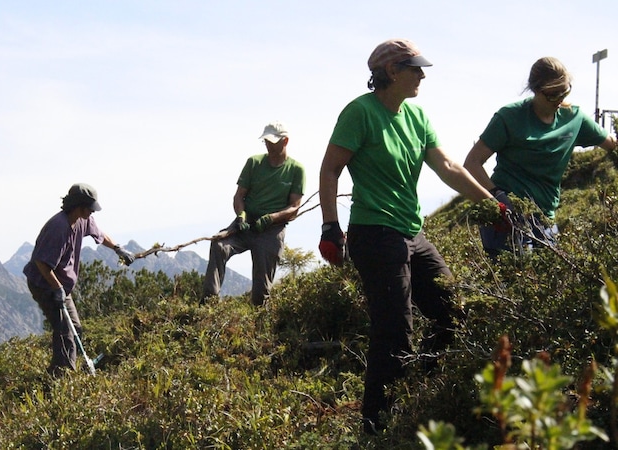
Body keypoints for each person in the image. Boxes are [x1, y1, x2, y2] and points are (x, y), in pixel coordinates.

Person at [317, 39, 494, 434]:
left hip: (411, 233)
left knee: (452, 313)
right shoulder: (360, 112)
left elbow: (447, 166)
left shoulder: (416, 115)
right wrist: (331, 226)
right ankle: (376, 427)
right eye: (414, 68)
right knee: (394, 331)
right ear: (391, 72)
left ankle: (417, 389)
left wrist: (492, 204)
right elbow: (330, 169)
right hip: (375, 234)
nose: (422, 74)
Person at [464, 56, 618, 256]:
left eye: (565, 91)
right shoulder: (510, 117)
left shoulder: (574, 117)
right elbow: (472, 162)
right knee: (514, 283)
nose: (560, 99)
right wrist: (498, 197)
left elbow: (611, 145)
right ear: (536, 90)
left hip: (546, 219)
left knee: (549, 278)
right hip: (506, 220)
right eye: (553, 95)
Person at [23, 183, 135, 376]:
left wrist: (118, 248)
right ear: (79, 206)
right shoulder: (58, 228)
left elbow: (99, 234)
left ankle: (60, 371)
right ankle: (62, 379)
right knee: (66, 333)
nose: (92, 212)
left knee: (75, 329)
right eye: (90, 208)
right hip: (44, 284)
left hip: (60, 286)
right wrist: (57, 289)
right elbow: (41, 263)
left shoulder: (83, 220)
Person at [201, 121, 306, 306]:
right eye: (266, 141)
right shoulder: (254, 163)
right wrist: (241, 215)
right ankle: (208, 303)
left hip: (272, 230)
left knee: (261, 289)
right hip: (246, 223)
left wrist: (271, 218)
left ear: (285, 141)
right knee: (219, 245)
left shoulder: (296, 169)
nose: (269, 145)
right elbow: (239, 196)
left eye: (273, 141)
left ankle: (258, 319)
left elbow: (294, 207)